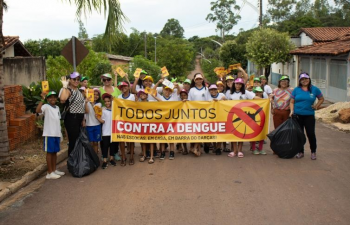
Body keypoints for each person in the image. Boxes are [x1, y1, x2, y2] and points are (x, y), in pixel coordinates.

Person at [290, 72, 324, 160]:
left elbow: (321, 98)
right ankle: (300, 152)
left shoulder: (314, 89)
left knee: (311, 134)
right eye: (302, 79)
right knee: (299, 134)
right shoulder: (296, 90)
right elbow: (291, 101)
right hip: (297, 115)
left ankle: (313, 152)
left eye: (306, 79)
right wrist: (291, 111)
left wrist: (316, 106)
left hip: (309, 116)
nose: (304, 81)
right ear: (299, 81)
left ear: (309, 79)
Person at [36, 91, 65, 179]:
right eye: (50, 97)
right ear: (48, 99)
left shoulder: (56, 108)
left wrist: (60, 133)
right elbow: (38, 111)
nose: (53, 99)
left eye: (54, 97)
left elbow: (58, 120)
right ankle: (49, 172)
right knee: (49, 152)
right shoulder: (46, 106)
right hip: (49, 133)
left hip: (56, 133)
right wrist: (42, 99)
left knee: (55, 152)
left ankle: (54, 169)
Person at [226, 78, 256, 158]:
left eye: (240, 84)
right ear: (234, 84)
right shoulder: (229, 93)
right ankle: (234, 150)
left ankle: (240, 150)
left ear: (242, 85)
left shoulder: (245, 93)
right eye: (236, 84)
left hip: (243, 116)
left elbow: (254, 98)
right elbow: (225, 102)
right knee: (233, 133)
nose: (238, 85)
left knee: (241, 133)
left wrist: (266, 99)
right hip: (232, 116)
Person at [59, 72, 86, 156]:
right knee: (73, 141)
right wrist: (64, 85)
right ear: (70, 80)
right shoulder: (68, 90)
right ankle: (72, 162)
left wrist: (83, 119)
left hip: (79, 118)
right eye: (74, 79)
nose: (76, 81)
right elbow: (62, 99)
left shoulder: (78, 90)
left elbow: (81, 106)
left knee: (78, 140)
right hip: (72, 118)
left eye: (78, 79)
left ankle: (78, 161)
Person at [187, 73, 210, 156]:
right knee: (196, 130)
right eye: (197, 79)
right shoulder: (192, 90)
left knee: (202, 130)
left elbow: (209, 100)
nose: (199, 80)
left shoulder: (206, 89)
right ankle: (197, 148)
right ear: (194, 80)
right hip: (195, 113)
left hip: (204, 113)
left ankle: (196, 148)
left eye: (200, 79)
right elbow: (189, 101)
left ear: (202, 80)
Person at [157, 84, 180, 160]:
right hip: (162, 121)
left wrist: (177, 86)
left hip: (172, 120)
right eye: (166, 90)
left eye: (169, 90)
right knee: (163, 137)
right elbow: (152, 92)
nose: (167, 91)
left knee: (171, 137)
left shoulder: (173, 97)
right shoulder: (160, 97)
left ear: (171, 91)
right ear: (163, 90)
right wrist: (159, 82)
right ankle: (162, 152)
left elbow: (179, 92)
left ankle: (172, 152)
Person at [137, 89, 161, 164]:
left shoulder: (151, 102)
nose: (142, 95)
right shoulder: (138, 103)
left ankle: (151, 156)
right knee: (143, 140)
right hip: (142, 124)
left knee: (151, 140)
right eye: (141, 94)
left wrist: (154, 96)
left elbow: (161, 103)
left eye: (144, 93)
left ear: (147, 95)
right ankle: (144, 155)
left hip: (151, 124)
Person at [96, 93, 118, 169]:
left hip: (113, 131)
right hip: (105, 132)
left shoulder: (115, 109)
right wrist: (97, 117)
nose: (107, 103)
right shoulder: (103, 110)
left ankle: (111, 158)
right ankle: (105, 160)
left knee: (112, 146)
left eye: (108, 101)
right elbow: (102, 121)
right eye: (105, 101)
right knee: (105, 146)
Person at [117, 82, 135, 165]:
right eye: (122, 87)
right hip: (121, 120)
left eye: (124, 86)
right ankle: (123, 157)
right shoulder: (119, 97)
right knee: (122, 139)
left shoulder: (132, 97)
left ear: (128, 87)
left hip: (131, 120)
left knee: (131, 139)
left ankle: (131, 156)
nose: (123, 88)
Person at [84, 88, 102, 154]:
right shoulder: (86, 102)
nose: (95, 96)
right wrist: (86, 103)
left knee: (96, 142)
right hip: (89, 125)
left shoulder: (99, 104)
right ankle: (91, 157)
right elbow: (86, 111)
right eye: (94, 94)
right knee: (91, 142)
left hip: (97, 125)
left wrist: (92, 103)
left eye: (97, 95)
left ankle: (95, 158)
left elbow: (97, 113)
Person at [250, 87, 267, 155]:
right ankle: (253, 148)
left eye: (260, 92)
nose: (258, 93)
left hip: (262, 118)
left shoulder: (265, 101)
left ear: (262, 93)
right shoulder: (251, 100)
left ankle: (261, 148)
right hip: (253, 119)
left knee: (262, 132)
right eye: (257, 92)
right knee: (253, 133)